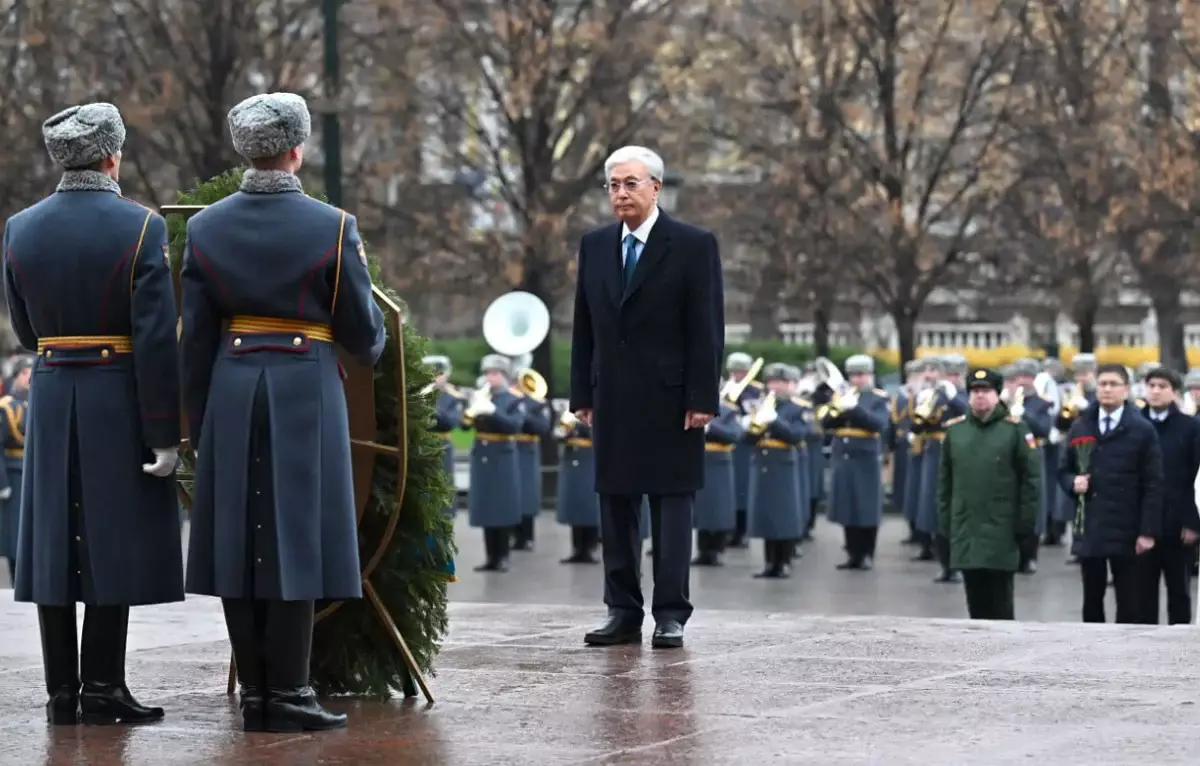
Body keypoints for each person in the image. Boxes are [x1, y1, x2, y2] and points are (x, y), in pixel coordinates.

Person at [180, 92, 386, 732]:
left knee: (237, 540)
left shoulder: (206, 228)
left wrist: (195, 422)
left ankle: (256, 695)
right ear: (297, 149)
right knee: (299, 533)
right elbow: (363, 334)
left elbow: (196, 341)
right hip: (304, 387)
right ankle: (291, 692)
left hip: (231, 386)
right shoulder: (333, 226)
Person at [3, 103, 182, 725]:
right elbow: (155, 340)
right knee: (114, 538)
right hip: (116, 393)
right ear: (112, 155)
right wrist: (164, 433)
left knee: (53, 541)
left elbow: (26, 330)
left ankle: (61, 692)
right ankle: (103, 686)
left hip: (52, 389)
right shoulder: (142, 227)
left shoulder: (19, 227)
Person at [568, 145, 723, 649]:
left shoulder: (693, 245)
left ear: (656, 187)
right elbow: (584, 324)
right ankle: (622, 610)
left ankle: (671, 613)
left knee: (672, 507)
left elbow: (706, 326)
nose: (621, 193)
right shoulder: (595, 245)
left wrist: (703, 396)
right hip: (612, 398)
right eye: (613, 185)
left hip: (672, 401)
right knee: (615, 506)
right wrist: (581, 393)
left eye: (630, 183)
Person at [1058, 363, 1163, 624]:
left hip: (1127, 527)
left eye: (1113, 384)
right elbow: (1063, 469)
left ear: (1126, 390)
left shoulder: (1141, 429)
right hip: (1091, 525)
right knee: (1091, 599)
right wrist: (1073, 482)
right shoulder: (1082, 425)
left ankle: (1124, 648)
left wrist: (1147, 531)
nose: (1107, 389)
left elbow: (1153, 483)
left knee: (1129, 601)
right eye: (1102, 384)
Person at [938, 369, 1041, 620]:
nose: (980, 396)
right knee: (975, 605)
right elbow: (944, 483)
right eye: (975, 391)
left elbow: (1031, 482)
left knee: (1000, 605)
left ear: (997, 395)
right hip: (966, 527)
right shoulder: (956, 432)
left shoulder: (1014, 431)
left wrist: (1025, 525)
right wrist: (946, 524)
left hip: (1001, 527)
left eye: (986, 391)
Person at [1136, 367, 1200, 624]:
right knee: (1142, 593)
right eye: (1151, 386)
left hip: (1178, 524)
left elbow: (1195, 477)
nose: (1155, 391)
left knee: (1179, 592)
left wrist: (1193, 522)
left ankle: (1179, 640)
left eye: (1162, 386)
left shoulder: (1190, 427)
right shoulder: (1135, 424)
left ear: (1174, 392)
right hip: (1141, 523)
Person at [824, 355, 890, 571]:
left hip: (865, 457)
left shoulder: (879, 398)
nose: (857, 379)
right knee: (847, 506)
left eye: (862, 375)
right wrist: (840, 408)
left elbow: (879, 424)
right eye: (853, 375)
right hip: (843, 456)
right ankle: (852, 553)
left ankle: (867, 553)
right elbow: (826, 422)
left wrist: (854, 409)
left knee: (867, 508)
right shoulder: (840, 395)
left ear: (870, 375)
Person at [0, 356, 30, 583]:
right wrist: (2, 483)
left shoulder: (34, 402)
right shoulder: (6, 407)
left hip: (31, 473)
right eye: (26, 374)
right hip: (13, 474)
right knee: (14, 537)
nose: (29, 379)